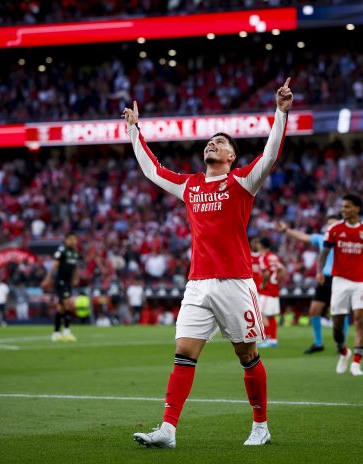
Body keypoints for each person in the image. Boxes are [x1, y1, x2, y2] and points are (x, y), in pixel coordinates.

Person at [125, 77, 293, 448]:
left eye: (220, 142)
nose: (211, 143)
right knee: (183, 353)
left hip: (235, 281)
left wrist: (280, 113)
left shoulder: (243, 182)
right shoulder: (190, 185)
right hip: (198, 283)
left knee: (247, 354)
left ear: (231, 157)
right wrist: (134, 130)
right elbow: (153, 170)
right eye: (209, 141)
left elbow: (270, 155)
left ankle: (261, 426)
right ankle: (168, 430)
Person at [316, 194, 363, 377]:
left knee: (360, 319)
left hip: (361, 282)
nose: (343, 210)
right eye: (342, 207)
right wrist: (319, 271)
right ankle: (343, 351)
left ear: (357, 208)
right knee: (337, 325)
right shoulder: (334, 229)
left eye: (347, 206)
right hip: (340, 281)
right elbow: (324, 252)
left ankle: (356, 363)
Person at [277, 216, 349, 354]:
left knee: (340, 313)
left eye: (333, 224)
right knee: (314, 311)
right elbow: (303, 237)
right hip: (324, 279)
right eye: (328, 224)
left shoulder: (346, 241)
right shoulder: (322, 238)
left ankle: (342, 345)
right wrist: (286, 230)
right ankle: (318, 343)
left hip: (339, 279)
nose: (330, 226)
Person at [42, 233, 80, 342]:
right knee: (68, 304)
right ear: (66, 240)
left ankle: (56, 333)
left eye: (75, 239)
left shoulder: (75, 253)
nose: (73, 241)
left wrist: (76, 278)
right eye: (71, 239)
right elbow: (55, 266)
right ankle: (67, 331)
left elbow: (75, 267)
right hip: (61, 282)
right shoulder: (62, 251)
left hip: (68, 282)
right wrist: (47, 278)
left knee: (61, 308)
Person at [257, 237, 286, 348]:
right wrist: (277, 281)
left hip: (266, 291)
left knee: (261, 314)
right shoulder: (274, 257)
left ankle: (268, 338)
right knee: (270, 316)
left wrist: (264, 284)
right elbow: (283, 270)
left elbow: (266, 273)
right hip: (274, 289)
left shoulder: (263, 257)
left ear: (261, 245)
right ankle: (273, 340)